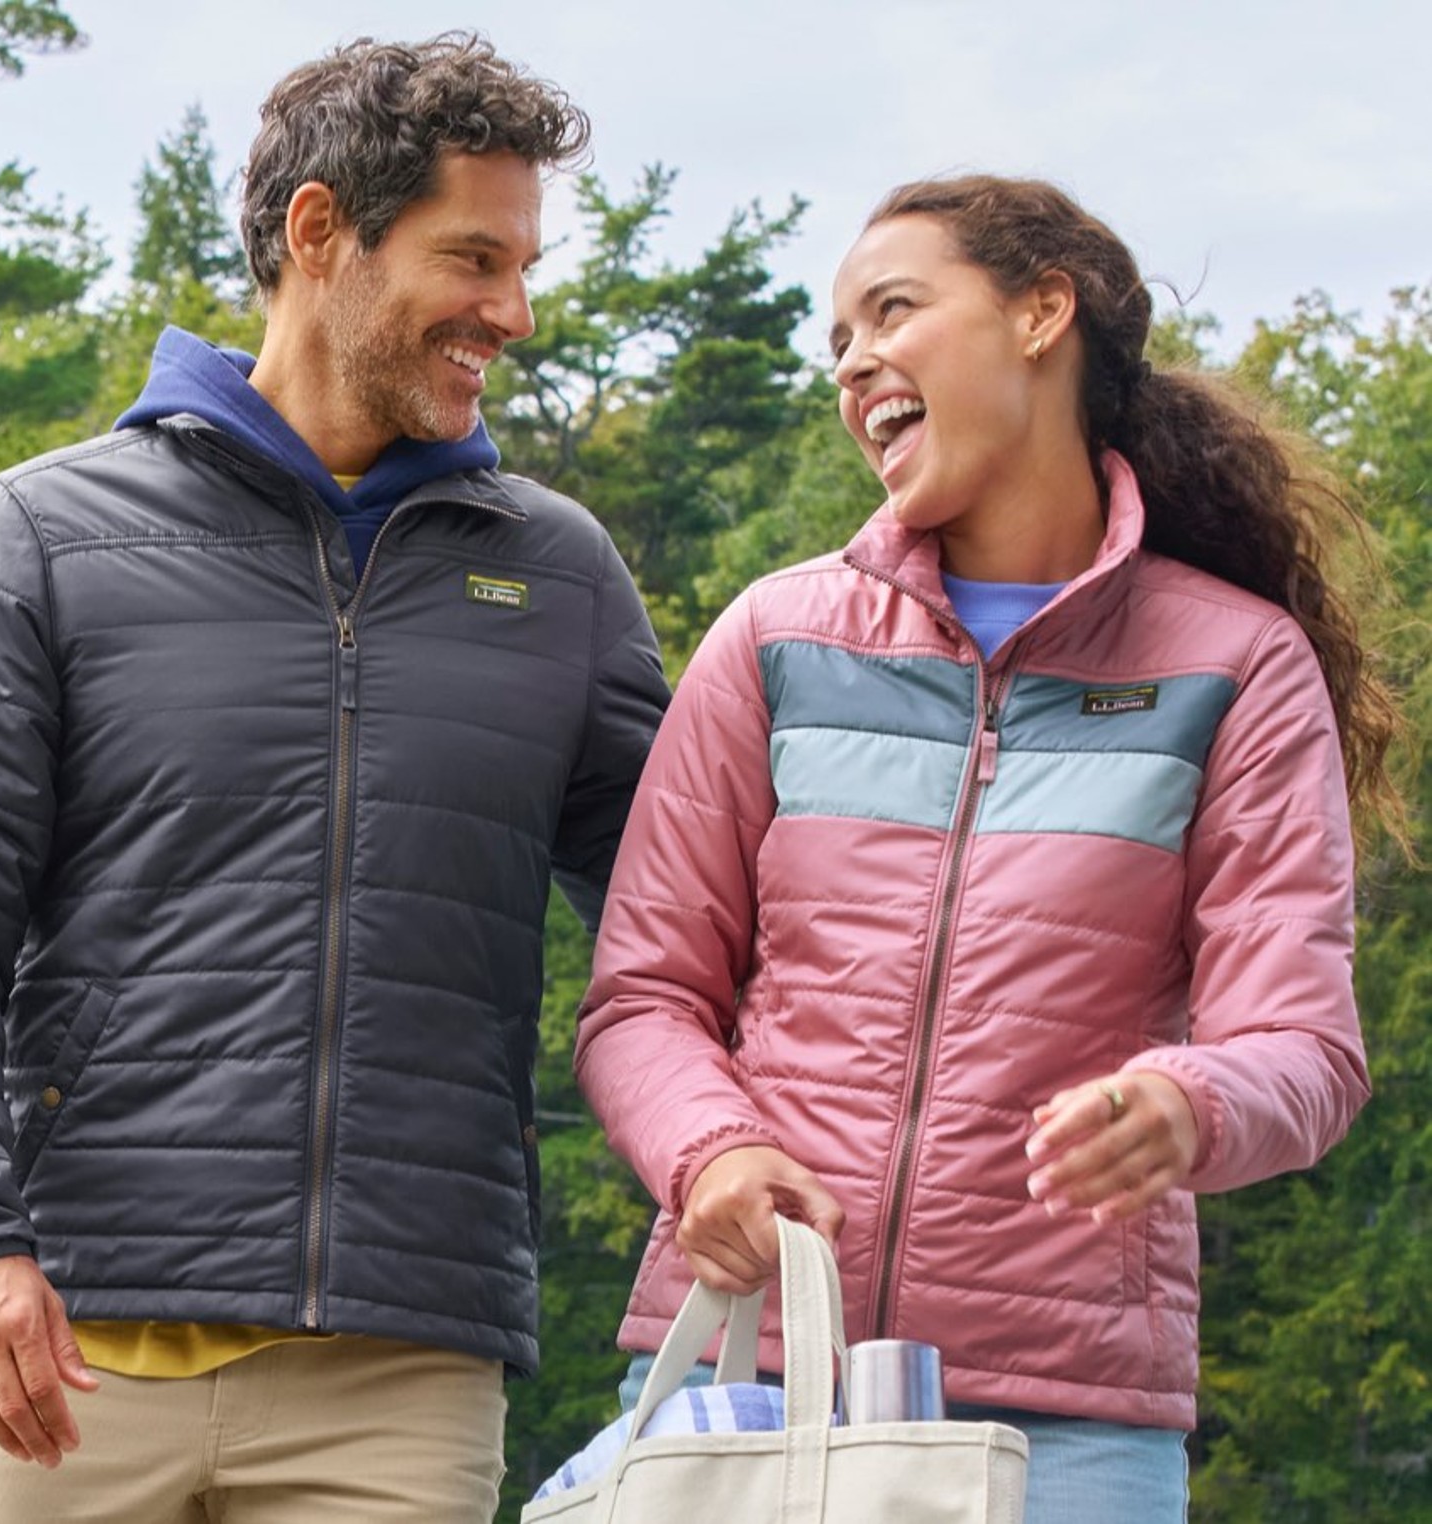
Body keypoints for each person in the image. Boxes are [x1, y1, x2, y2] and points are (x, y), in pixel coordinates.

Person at [0, 33, 668, 1524]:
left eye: (525, 265)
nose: (513, 312)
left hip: (402, 1378)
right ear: (319, 232)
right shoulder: (44, 536)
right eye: (473, 257)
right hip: (65, 1362)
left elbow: (699, 920)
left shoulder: (559, 576)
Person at [574, 174, 1402, 1521]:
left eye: (891, 310)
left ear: (1042, 312)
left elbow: (1304, 1049)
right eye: (836, 340)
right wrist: (709, 1152)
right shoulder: (777, 643)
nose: (854, 364)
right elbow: (642, 999)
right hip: (756, 1383)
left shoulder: (1236, 670)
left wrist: (1189, 1103)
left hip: (1071, 1428)